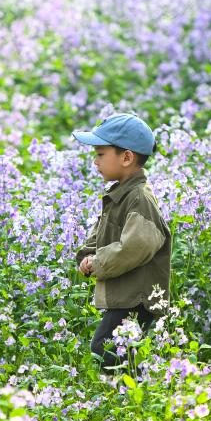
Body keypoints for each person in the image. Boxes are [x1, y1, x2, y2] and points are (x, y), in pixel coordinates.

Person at [72, 112, 172, 374]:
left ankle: (128, 404)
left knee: (106, 350)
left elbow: (135, 247)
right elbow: (103, 235)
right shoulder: (120, 195)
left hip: (137, 298)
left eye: (101, 154)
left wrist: (99, 262)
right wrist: (87, 256)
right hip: (126, 296)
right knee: (119, 354)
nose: (95, 162)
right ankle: (130, 403)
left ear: (126, 157)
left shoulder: (139, 198)